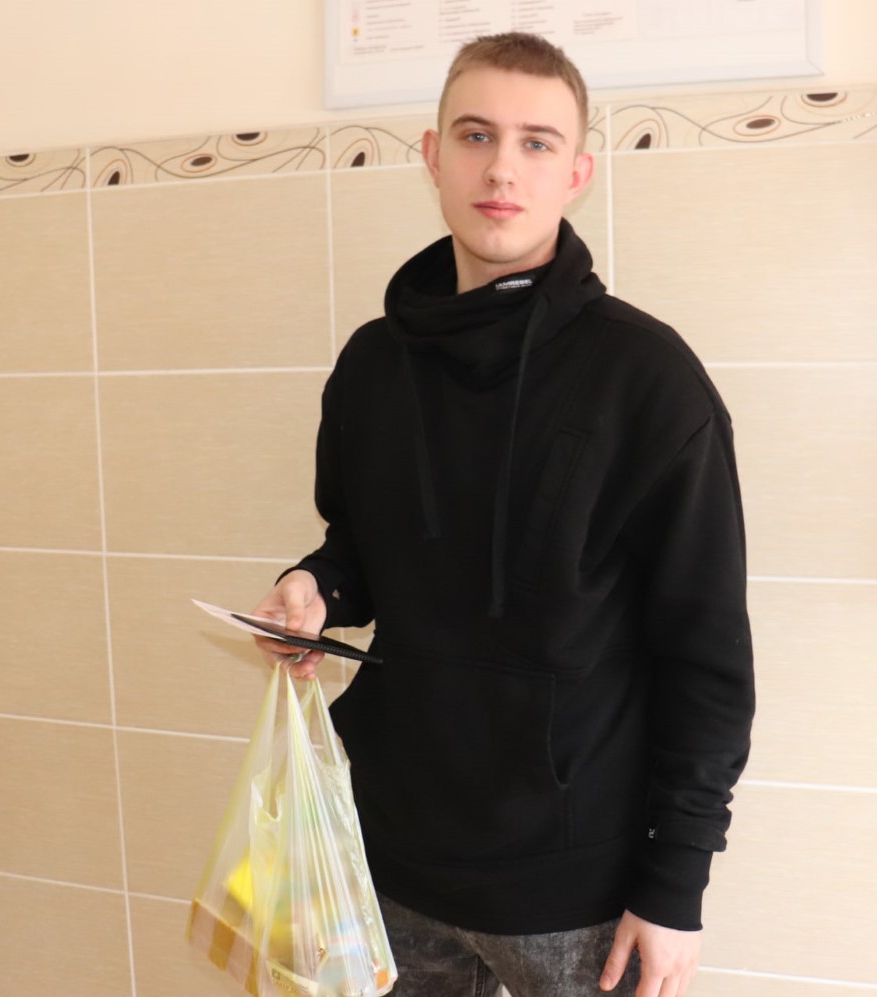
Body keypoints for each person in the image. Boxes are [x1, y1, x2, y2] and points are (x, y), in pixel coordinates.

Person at [252, 31, 754, 997]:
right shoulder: (371, 365)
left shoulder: (648, 381)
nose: (501, 169)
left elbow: (708, 657)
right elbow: (359, 549)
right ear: (433, 155)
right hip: (386, 860)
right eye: (476, 135)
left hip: (579, 892)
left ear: (577, 173)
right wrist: (314, 588)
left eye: (536, 142)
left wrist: (676, 885)